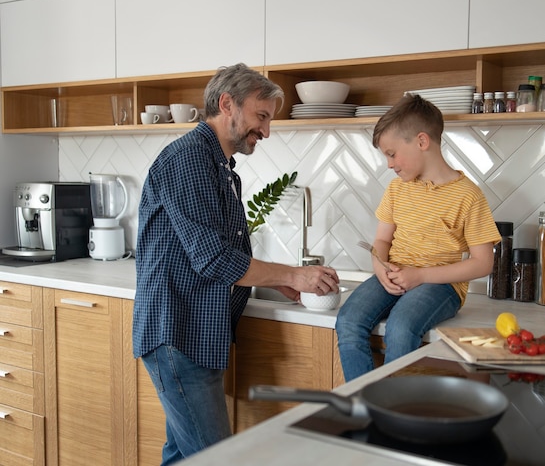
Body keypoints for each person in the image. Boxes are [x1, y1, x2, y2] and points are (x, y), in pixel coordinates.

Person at [133, 63, 339, 464]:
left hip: (197, 334)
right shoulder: (189, 160)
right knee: (216, 459)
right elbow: (214, 259)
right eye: (261, 116)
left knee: (182, 456)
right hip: (178, 332)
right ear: (227, 104)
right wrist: (293, 273)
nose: (266, 130)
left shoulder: (222, 170)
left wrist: (276, 279)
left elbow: (227, 256)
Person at [335, 93, 501, 382]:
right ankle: (363, 406)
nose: (389, 164)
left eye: (391, 153)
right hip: (395, 275)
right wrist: (380, 267)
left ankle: (394, 415)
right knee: (349, 320)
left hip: (441, 286)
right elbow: (382, 242)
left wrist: (421, 276)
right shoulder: (397, 190)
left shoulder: (467, 195)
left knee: (401, 326)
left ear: (422, 142)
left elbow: (483, 263)